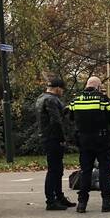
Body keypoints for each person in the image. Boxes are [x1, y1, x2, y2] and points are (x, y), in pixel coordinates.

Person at [67, 76, 110, 213]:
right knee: (104, 170)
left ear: (86, 85)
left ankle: (82, 203)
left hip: (83, 139)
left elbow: (70, 116)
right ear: (98, 87)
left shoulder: (76, 99)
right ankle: (107, 201)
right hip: (101, 139)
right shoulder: (102, 99)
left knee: (85, 171)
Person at [36, 77, 74, 211]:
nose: (63, 92)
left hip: (46, 137)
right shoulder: (52, 100)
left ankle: (59, 197)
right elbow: (56, 121)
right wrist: (62, 138)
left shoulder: (41, 98)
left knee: (57, 169)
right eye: (62, 89)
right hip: (53, 138)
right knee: (54, 170)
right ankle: (51, 200)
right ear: (57, 88)